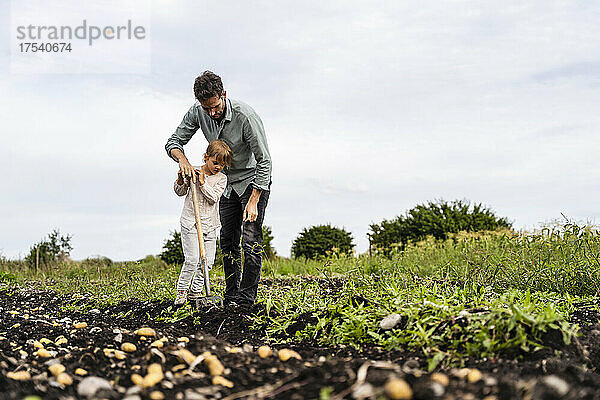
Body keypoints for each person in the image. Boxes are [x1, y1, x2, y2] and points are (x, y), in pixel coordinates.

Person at [165, 70, 272, 306]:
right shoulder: (198, 112)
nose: (211, 113)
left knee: (250, 239)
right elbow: (173, 142)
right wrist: (182, 160)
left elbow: (264, 160)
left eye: (215, 107)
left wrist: (254, 199)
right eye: (206, 109)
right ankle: (231, 295)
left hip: (251, 182)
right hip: (224, 184)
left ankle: (246, 300)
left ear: (223, 94)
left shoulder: (245, 116)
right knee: (227, 241)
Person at [173, 140, 231, 305]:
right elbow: (180, 192)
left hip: (210, 225)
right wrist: (180, 180)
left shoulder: (221, 179)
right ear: (206, 157)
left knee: (208, 261)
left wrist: (203, 182)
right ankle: (182, 292)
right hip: (190, 222)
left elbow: (213, 198)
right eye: (215, 162)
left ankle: (195, 291)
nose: (218, 167)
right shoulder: (193, 171)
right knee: (192, 259)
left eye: (222, 165)